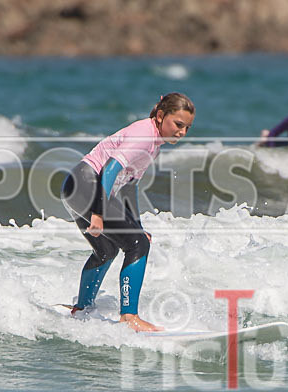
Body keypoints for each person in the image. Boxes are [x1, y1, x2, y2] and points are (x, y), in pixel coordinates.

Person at [61, 92, 195, 332]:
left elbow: (128, 186)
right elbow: (110, 171)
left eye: (187, 127)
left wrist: (137, 226)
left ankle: (81, 309)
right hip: (87, 183)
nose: (182, 132)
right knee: (137, 245)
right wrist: (99, 214)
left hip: (74, 186)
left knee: (107, 249)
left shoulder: (154, 144)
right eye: (178, 124)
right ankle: (129, 316)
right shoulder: (145, 137)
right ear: (161, 115)